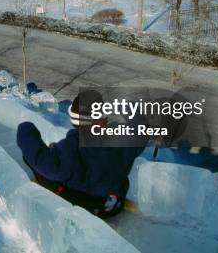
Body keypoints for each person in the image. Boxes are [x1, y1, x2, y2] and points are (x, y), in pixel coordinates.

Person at [17, 90, 144, 218]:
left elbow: (43, 162)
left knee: (36, 162)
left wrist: (26, 129)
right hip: (113, 204)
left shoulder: (71, 147)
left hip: (84, 206)